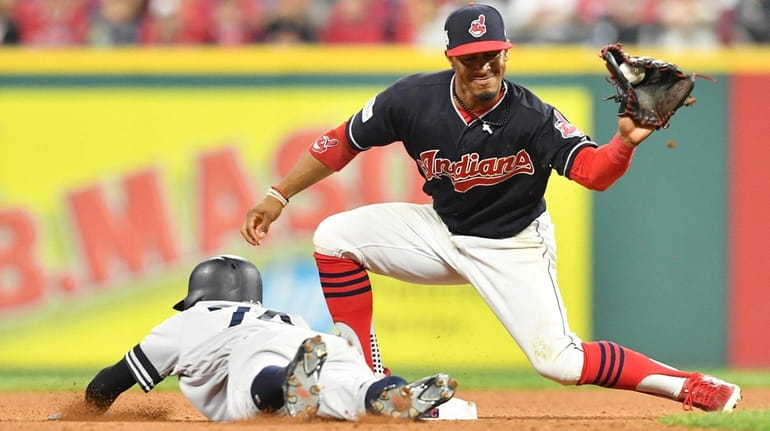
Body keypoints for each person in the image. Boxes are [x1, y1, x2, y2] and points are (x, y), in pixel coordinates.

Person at [240, 3, 742, 413]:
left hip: (512, 245)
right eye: (470, 57)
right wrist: (278, 195)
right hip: (440, 231)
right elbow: (341, 141)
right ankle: (368, 380)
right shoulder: (412, 99)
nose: (482, 67)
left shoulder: (533, 116)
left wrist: (625, 144)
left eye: (492, 56)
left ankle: (690, 386)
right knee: (333, 236)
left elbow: (593, 173)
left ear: (507, 53)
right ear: (450, 58)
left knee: (560, 363)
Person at [82, 255, 457, 421]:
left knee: (260, 388)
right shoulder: (285, 315)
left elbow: (112, 381)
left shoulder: (190, 320)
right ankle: (389, 393)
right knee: (347, 389)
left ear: (198, 295)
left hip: (253, 352)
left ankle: (287, 383)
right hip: (319, 341)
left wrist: (85, 409)